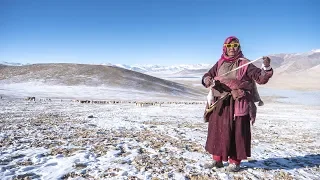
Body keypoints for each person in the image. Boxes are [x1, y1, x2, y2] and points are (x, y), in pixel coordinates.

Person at [202, 36, 273, 172]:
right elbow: (207, 75)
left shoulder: (245, 63)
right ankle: (217, 160)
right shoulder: (220, 63)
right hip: (221, 103)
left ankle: (235, 162)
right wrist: (207, 79)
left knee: (237, 132)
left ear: (239, 47)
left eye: (235, 45)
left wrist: (267, 67)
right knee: (217, 131)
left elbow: (261, 78)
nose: (232, 48)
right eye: (229, 46)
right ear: (224, 48)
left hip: (238, 102)